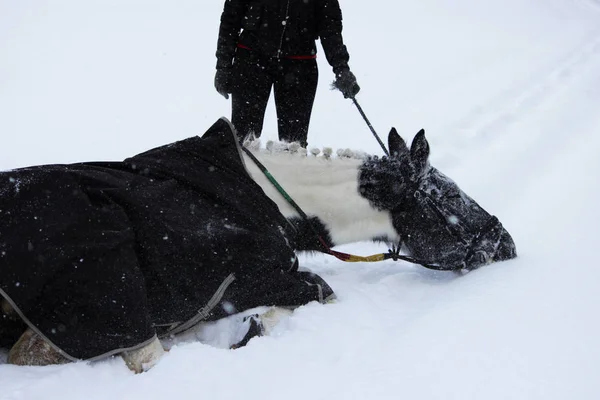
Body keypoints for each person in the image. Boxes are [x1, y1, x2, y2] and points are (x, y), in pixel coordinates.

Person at [214, 0, 360, 148]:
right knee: (241, 140)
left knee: (294, 146)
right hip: (251, 62)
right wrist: (223, 66)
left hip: (299, 67)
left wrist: (342, 68)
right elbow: (230, 18)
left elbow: (330, 25)